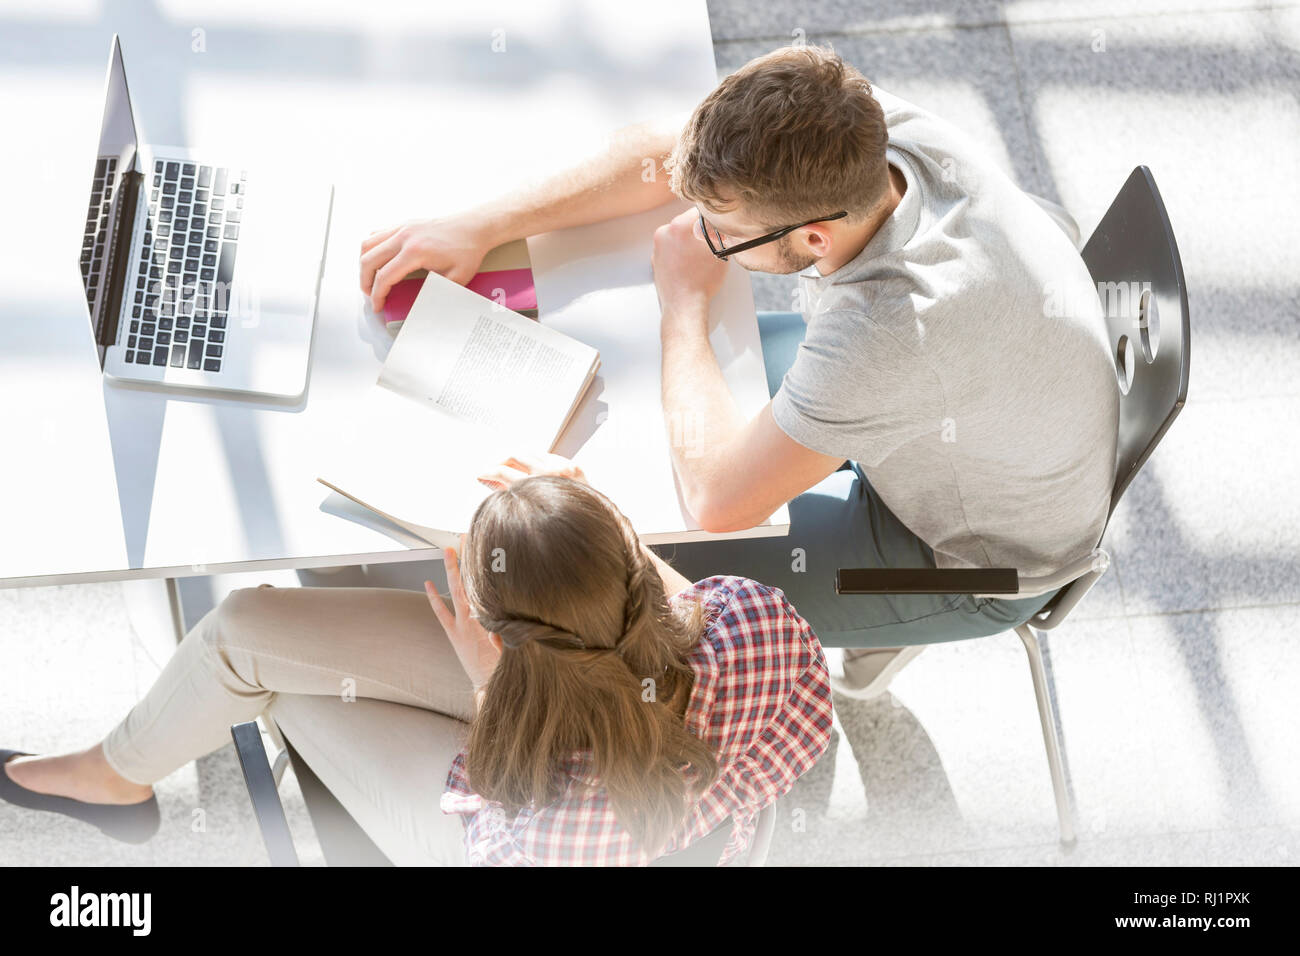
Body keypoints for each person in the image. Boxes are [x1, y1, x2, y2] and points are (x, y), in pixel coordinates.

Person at [357, 45, 1119, 696]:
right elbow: (659, 153)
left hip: (968, 562)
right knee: (642, 414)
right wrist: (480, 224)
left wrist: (684, 302)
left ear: (814, 238)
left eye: (720, 232)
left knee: (627, 575)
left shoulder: (889, 332)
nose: (699, 233)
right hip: (972, 417)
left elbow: (719, 500)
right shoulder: (854, 125)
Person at [1, 456, 833, 865]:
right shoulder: (756, 616)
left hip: (525, 822)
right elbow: (688, 627)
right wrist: (573, 528)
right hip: (590, 737)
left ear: (496, 627)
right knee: (251, 626)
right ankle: (115, 770)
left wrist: (482, 683)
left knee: (283, 686)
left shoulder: (556, 839)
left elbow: (495, 824)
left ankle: (116, 779)